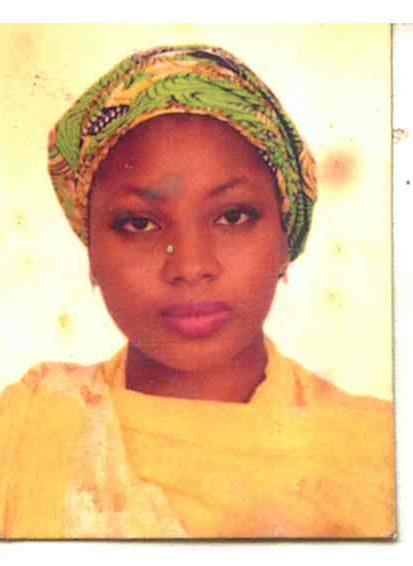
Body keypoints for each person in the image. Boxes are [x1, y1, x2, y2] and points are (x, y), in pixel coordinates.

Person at [0, 44, 395, 539]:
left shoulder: (382, 455)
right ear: (91, 249)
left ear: (285, 239)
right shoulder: (25, 432)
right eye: (139, 223)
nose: (190, 266)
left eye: (233, 216)